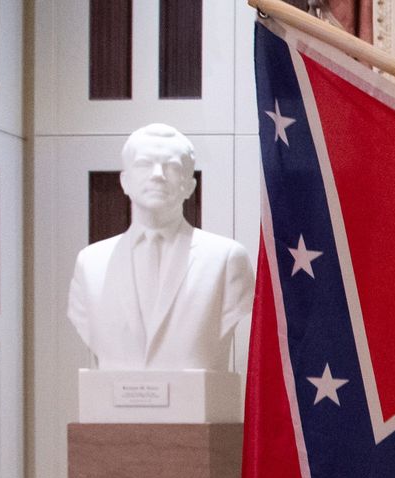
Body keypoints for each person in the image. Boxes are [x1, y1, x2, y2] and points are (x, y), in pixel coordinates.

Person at [67, 123, 255, 371]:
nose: (158, 174)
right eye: (144, 164)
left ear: (189, 186)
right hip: (113, 405)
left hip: (196, 404)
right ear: (124, 181)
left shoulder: (227, 259)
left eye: (172, 166)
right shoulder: (90, 263)